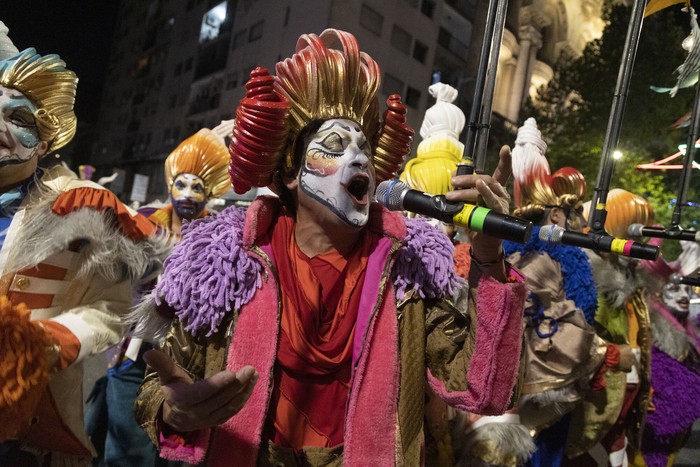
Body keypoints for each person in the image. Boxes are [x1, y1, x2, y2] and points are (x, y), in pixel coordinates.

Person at [133, 29, 527, 466]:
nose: (358, 159)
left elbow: (480, 390)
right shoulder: (224, 261)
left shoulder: (411, 270)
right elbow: (159, 386)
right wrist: (172, 409)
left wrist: (489, 259)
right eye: (335, 147)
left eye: (364, 149)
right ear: (289, 173)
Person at [0, 25, 166, 467]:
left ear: (48, 137)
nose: (1, 125)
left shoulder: (83, 208)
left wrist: (44, 344)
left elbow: (112, 308)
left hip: (27, 427)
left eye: (19, 118)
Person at [85, 128, 231, 466]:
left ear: (209, 192)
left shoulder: (220, 236)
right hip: (135, 353)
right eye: (182, 183)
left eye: (198, 186)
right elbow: (111, 269)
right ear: (170, 184)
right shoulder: (147, 222)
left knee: (175, 450)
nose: (189, 193)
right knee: (126, 446)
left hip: (188, 355)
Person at [636, 238, 700, 467]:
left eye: (687, 288)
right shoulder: (651, 326)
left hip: (676, 435)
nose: (684, 295)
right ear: (658, 294)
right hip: (648, 429)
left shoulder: (691, 331)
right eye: (675, 288)